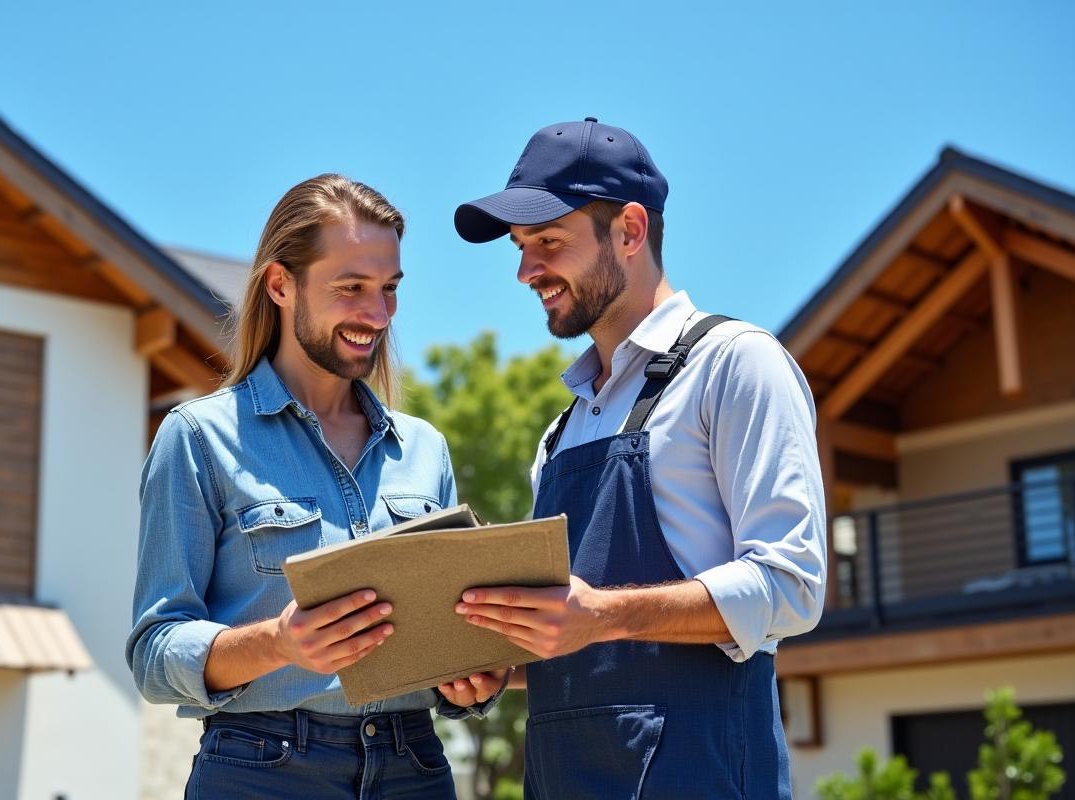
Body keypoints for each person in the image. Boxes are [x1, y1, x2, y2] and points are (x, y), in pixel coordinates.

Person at [451, 118, 827, 798]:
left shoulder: (735, 365)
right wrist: (496, 664)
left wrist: (607, 615)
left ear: (628, 230)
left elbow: (793, 587)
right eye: (519, 248)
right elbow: (578, 633)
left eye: (547, 243)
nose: (525, 271)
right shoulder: (559, 431)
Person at [128, 174, 503, 799]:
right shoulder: (198, 436)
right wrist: (277, 643)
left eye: (388, 290)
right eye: (351, 288)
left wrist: (469, 680)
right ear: (281, 285)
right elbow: (155, 651)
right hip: (262, 771)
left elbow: (442, 637)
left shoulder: (424, 449)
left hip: (414, 767)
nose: (377, 314)